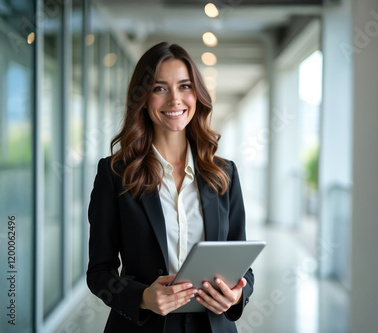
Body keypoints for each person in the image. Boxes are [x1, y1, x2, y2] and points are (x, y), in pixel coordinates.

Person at [86, 42, 253, 333]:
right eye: (160, 88)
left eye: (185, 86)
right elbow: (99, 272)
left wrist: (238, 293)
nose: (175, 99)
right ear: (143, 97)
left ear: (197, 94)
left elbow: (242, 266)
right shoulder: (115, 173)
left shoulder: (223, 174)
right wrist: (142, 297)